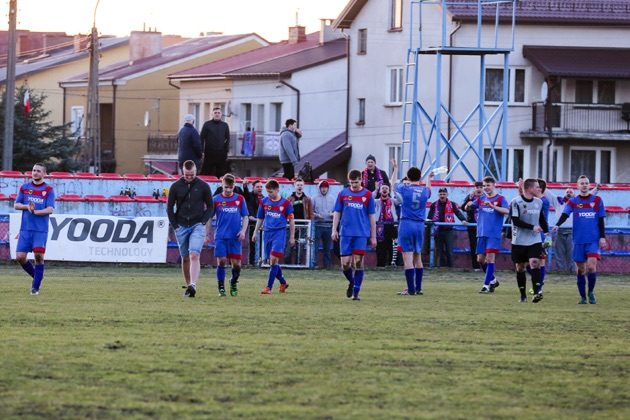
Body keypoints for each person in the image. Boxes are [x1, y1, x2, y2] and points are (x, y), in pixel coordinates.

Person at [553, 175, 607, 304]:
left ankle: (591, 292)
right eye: (581, 183)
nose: (584, 185)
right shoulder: (573, 202)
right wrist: (557, 224)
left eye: (586, 183)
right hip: (578, 240)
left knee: (591, 267)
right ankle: (583, 297)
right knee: (581, 269)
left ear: (589, 185)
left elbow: (601, 220)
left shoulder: (597, 200)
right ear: (577, 186)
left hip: (593, 240)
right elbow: (565, 214)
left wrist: (602, 237)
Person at [167, 160, 213, 298]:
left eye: (191, 174)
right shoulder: (175, 187)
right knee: (185, 257)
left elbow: (210, 206)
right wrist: (175, 225)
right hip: (181, 225)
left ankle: (193, 284)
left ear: (196, 171)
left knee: (194, 254)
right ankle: (189, 286)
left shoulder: (203, 186)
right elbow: (169, 208)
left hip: (197, 225)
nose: (189, 177)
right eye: (187, 175)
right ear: (182, 172)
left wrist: (203, 221)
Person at [332, 169, 377, 300]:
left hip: (361, 234)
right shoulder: (343, 194)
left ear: (361, 180)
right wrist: (334, 229)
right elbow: (337, 212)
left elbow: (372, 217)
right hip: (345, 233)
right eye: (351, 182)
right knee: (345, 264)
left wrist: (373, 236)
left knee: (358, 262)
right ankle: (352, 282)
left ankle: (356, 293)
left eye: (356, 182)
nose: (354, 185)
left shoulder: (368, 195)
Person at [391, 161, 433, 295]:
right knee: (417, 257)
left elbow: (392, 185)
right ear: (420, 178)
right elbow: (429, 189)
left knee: (407, 257)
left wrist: (395, 168)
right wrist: (429, 179)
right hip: (420, 225)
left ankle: (410, 289)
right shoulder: (425, 191)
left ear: (408, 178)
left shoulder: (404, 188)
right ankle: (418, 287)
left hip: (407, 224)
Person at [14, 162, 55, 295]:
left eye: (38, 171)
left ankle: (35, 288)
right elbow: (16, 205)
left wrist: (36, 212)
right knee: (20, 257)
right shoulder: (25, 188)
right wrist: (27, 207)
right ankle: (38, 277)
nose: (35, 173)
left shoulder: (48, 190)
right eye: (33, 170)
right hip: (25, 229)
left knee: (38, 256)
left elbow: (50, 209)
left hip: (40, 230)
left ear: (43, 174)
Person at [466, 176, 509, 294]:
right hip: (481, 233)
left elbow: (507, 211)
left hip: (493, 234)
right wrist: (468, 204)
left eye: (488, 185)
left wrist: (493, 206)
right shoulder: (481, 199)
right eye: (484, 186)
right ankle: (493, 280)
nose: (486, 188)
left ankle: (486, 286)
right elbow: (468, 207)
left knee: (490, 259)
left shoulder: (500, 198)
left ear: (494, 185)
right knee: (480, 259)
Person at [252, 180, 295, 294]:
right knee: (272, 262)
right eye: (267, 192)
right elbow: (260, 218)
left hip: (279, 234)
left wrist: (292, 236)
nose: (269, 194)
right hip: (267, 233)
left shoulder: (286, 204)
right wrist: (255, 232)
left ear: (277, 190)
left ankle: (268, 288)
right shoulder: (264, 202)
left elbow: (291, 221)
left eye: (271, 191)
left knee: (273, 258)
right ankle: (283, 282)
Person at [510, 179, 548, 303]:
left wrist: (547, 234)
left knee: (535, 262)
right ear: (529, 188)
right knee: (520, 268)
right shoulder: (516, 202)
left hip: (534, 240)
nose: (539, 189)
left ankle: (536, 293)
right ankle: (523, 295)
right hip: (519, 240)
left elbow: (541, 219)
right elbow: (515, 221)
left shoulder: (539, 202)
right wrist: (532, 227)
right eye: (537, 187)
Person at [212, 174, 249, 297]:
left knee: (237, 265)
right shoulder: (216, 199)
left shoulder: (240, 199)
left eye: (230, 187)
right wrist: (207, 232)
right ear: (222, 185)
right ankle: (221, 287)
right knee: (222, 261)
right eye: (226, 187)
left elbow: (245, 216)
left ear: (234, 186)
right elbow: (208, 217)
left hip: (235, 237)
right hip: (221, 236)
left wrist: (243, 231)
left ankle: (233, 282)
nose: (228, 190)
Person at [427, 187, 467, 268]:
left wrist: (463, 220)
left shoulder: (452, 204)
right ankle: (440, 267)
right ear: (438, 195)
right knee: (439, 250)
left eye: (444, 194)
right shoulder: (434, 205)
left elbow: (458, 213)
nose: (442, 196)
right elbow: (430, 217)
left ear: (447, 194)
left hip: (449, 230)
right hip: (437, 230)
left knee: (449, 251)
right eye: (441, 194)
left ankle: (450, 267)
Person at [286, 177, 313, 263]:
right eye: (298, 185)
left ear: (303, 186)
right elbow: (285, 212)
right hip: (291, 225)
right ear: (294, 186)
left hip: (303, 226)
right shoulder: (289, 199)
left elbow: (310, 213)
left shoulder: (307, 199)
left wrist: (310, 225)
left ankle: (299, 264)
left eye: (301, 185)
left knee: (300, 246)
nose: (299, 186)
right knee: (289, 244)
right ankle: (288, 263)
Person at [200, 107, 230, 177]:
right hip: (209, 153)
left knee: (221, 174)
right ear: (212, 114)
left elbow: (228, 139)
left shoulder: (225, 125)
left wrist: (226, 151)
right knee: (206, 172)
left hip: (221, 154)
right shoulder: (207, 124)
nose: (217, 114)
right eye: (215, 113)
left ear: (221, 114)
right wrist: (201, 151)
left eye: (218, 113)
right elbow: (201, 138)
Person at [461, 181, 484, 270]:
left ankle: (484, 265)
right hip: (472, 225)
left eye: (481, 187)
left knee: (484, 246)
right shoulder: (470, 196)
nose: (479, 189)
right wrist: (469, 200)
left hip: (483, 225)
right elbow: (463, 207)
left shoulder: (486, 197)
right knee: (474, 245)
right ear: (474, 188)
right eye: (477, 187)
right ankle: (476, 266)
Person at [312, 179, 335, 268]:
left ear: (328, 188)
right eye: (322, 187)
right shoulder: (314, 198)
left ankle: (327, 265)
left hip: (329, 225)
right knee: (315, 247)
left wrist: (333, 214)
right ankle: (313, 264)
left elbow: (336, 211)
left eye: (325, 187)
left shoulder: (332, 199)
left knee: (327, 247)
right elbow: (311, 211)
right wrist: (317, 215)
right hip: (318, 225)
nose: (324, 189)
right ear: (319, 188)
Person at [374, 183, 397, 267]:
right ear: (380, 191)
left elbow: (400, 201)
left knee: (390, 245)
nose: (384, 190)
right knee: (380, 246)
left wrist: (394, 191)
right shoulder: (376, 201)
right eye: (382, 188)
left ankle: (391, 263)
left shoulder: (392, 201)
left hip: (391, 225)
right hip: (379, 225)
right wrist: (376, 190)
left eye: (386, 188)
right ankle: (380, 264)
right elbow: (369, 199)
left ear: (389, 191)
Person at [242, 179, 264, 265]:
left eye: (261, 187)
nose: (260, 188)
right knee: (252, 243)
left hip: (260, 223)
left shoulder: (263, 198)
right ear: (253, 188)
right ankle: (252, 262)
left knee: (262, 243)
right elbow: (246, 192)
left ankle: (262, 261)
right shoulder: (249, 195)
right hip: (251, 223)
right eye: (258, 187)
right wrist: (244, 186)